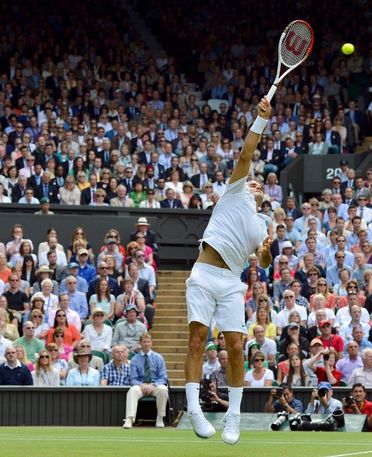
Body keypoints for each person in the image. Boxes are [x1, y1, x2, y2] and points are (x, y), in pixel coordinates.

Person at [184, 97, 274, 445]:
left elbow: (263, 263)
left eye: (259, 186)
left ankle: (233, 416)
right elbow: (245, 155)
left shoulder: (262, 224)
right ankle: (194, 409)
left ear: (263, 198)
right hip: (205, 273)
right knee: (196, 339)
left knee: (236, 347)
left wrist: (264, 253)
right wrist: (260, 121)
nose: (254, 184)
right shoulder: (234, 190)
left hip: (232, 283)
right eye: (252, 182)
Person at [123, 333, 169, 429]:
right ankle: (129, 419)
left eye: (148, 342)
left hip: (155, 385)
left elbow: (163, 377)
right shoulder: (135, 359)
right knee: (132, 390)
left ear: (151, 343)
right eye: (144, 342)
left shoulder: (159, 358)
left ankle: (160, 417)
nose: (146, 344)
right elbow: (133, 378)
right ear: (140, 343)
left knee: (163, 389)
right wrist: (142, 385)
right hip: (141, 385)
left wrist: (153, 385)